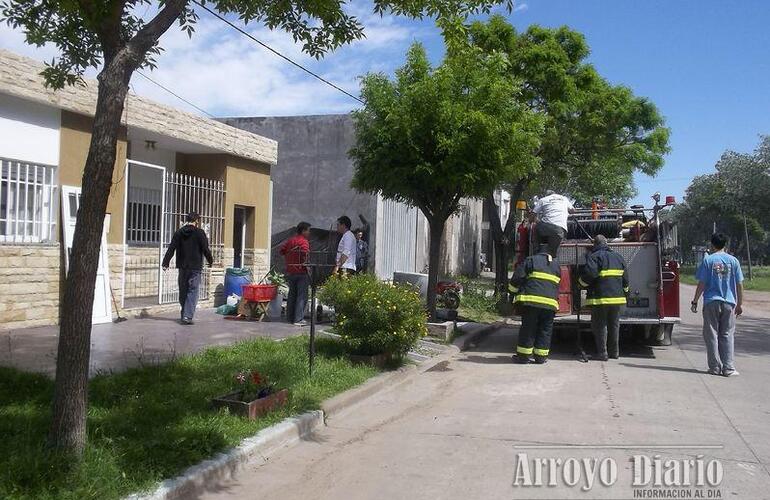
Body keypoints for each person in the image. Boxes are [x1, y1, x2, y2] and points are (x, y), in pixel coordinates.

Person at [691, 233, 744, 377]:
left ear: (712, 245)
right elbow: (739, 284)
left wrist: (695, 301)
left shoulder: (708, 261)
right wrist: (739, 304)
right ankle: (728, 368)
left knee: (711, 334)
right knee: (727, 334)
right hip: (729, 302)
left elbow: (702, 283)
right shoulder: (734, 261)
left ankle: (714, 367)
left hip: (711, 302)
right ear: (725, 244)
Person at [509, 244, 562, 364]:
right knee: (545, 330)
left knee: (529, 328)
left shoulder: (530, 260)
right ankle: (541, 357)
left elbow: (517, 278)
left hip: (531, 302)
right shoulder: (556, 265)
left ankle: (523, 357)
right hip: (550, 304)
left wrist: (511, 292)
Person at [579, 235, 629, 361]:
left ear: (595, 245)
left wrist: (580, 284)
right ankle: (615, 352)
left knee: (599, 325)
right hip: (617, 299)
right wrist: (626, 292)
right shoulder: (619, 257)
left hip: (600, 298)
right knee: (614, 325)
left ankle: (602, 353)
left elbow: (590, 274)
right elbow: (626, 279)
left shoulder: (595, 257)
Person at [162, 212, 213, 325]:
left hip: (182, 266)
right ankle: (187, 316)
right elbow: (205, 249)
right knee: (193, 291)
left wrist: (165, 262)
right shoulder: (200, 233)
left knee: (183, 290)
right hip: (195, 267)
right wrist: (210, 261)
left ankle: (184, 313)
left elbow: (171, 248)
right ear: (197, 221)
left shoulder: (179, 232)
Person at [280, 222, 311, 326]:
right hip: (301, 272)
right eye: (308, 230)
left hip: (291, 271)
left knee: (292, 295)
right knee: (301, 296)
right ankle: (298, 319)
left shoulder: (290, 240)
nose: (309, 232)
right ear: (303, 230)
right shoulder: (304, 242)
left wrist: (289, 257)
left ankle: (290, 317)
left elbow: (282, 251)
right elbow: (305, 254)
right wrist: (307, 266)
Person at [532, 190, 574, 256]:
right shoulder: (564, 198)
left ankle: (536, 249)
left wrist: (535, 221)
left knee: (536, 227)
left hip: (545, 227)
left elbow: (533, 214)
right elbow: (573, 210)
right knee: (553, 254)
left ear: (547, 195)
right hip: (560, 230)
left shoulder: (543, 200)